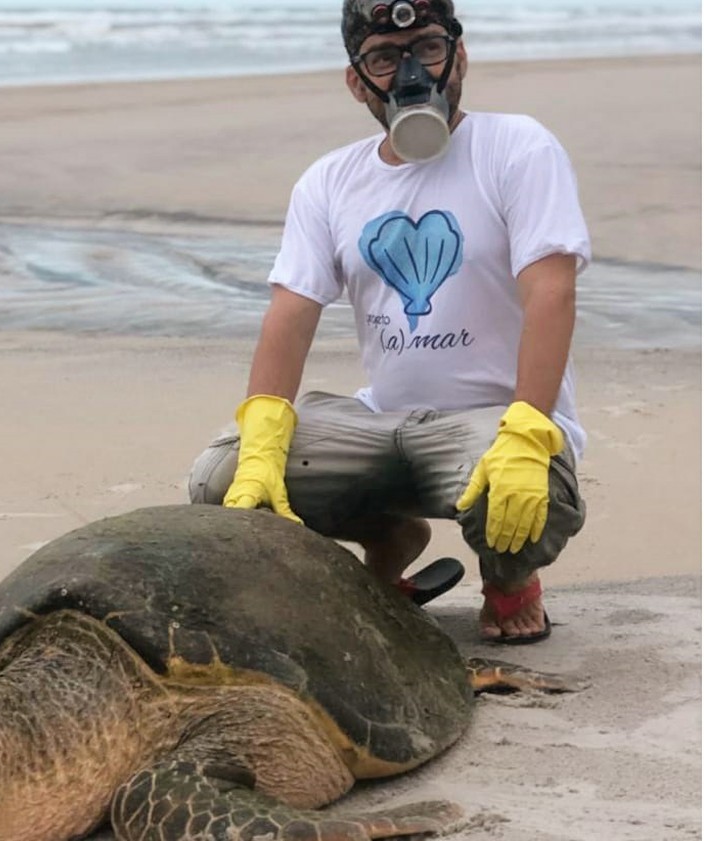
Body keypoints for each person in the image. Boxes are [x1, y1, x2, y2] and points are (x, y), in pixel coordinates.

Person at [188, 0, 588, 644]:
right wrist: (262, 440)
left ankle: (510, 584)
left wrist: (529, 427)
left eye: (427, 47)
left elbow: (551, 290)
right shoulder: (329, 181)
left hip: (493, 426)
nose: (411, 73)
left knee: (528, 491)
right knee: (221, 482)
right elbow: (291, 313)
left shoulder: (517, 148)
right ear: (357, 81)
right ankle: (391, 537)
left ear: (459, 56)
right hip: (379, 424)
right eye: (384, 57)